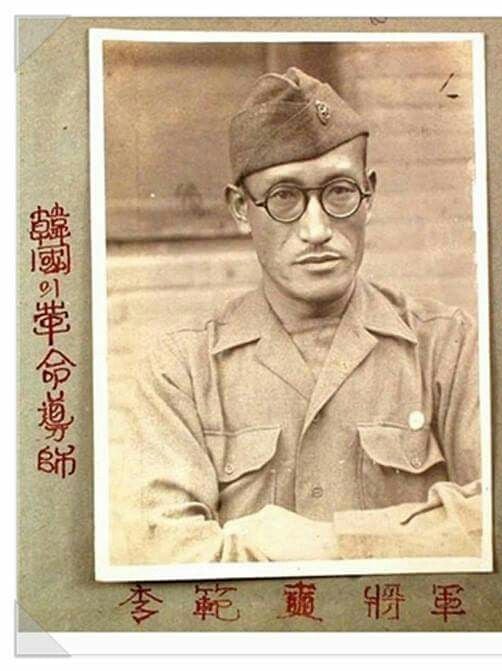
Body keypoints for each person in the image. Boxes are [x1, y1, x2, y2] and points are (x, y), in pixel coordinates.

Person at [121, 67, 482, 565]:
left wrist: (336, 542)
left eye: (339, 192)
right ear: (241, 209)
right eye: (284, 197)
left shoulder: (447, 347)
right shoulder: (183, 368)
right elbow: (163, 550)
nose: (316, 230)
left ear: (369, 196)